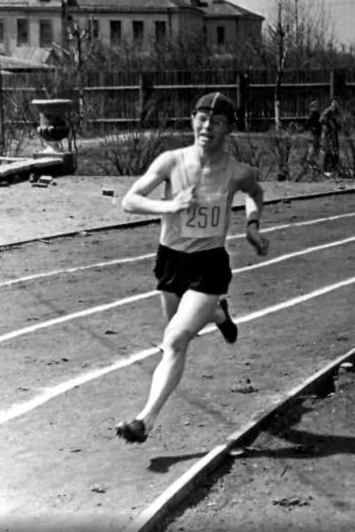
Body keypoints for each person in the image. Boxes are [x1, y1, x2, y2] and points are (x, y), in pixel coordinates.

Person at [114, 91, 270, 444]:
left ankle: (144, 420)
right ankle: (218, 314)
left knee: (174, 340)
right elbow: (130, 200)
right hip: (170, 261)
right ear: (191, 121)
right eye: (201, 118)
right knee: (177, 340)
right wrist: (167, 207)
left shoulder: (236, 172)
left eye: (216, 122)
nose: (206, 126)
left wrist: (252, 226)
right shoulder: (171, 161)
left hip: (208, 265)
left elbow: (255, 193)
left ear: (229, 128)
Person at [320, 97, 342, 176]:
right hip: (328, 135)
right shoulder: (328, 111)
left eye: (336, 103)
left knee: (336, 151)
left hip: (334, 134)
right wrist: (329, 123)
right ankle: (326, 170)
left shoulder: (338, 112)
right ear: (331, 103)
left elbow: (339, 123)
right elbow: (322, 119)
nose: (335, 104)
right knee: (328, 151)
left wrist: (338, 126)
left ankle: (335, 168)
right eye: (334, 102)